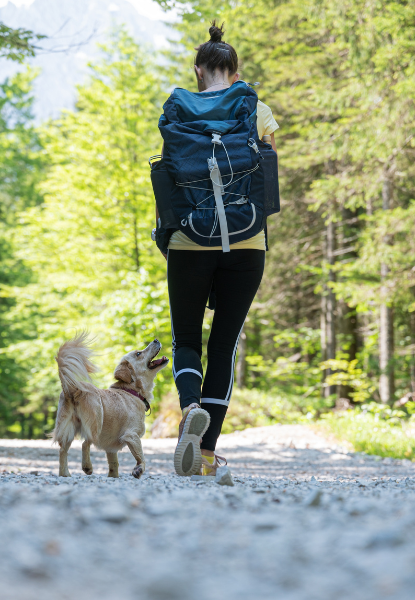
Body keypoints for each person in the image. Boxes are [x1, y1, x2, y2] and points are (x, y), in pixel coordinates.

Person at [159, 22, 279, 477]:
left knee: (187, 339)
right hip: (247, 239)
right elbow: (269, 178)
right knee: (224, 344)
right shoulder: (257, 109)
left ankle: (190, 407)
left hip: (189, 238)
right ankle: (206, 453)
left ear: (197, 70)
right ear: (235, 69)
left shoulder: (177, 109)